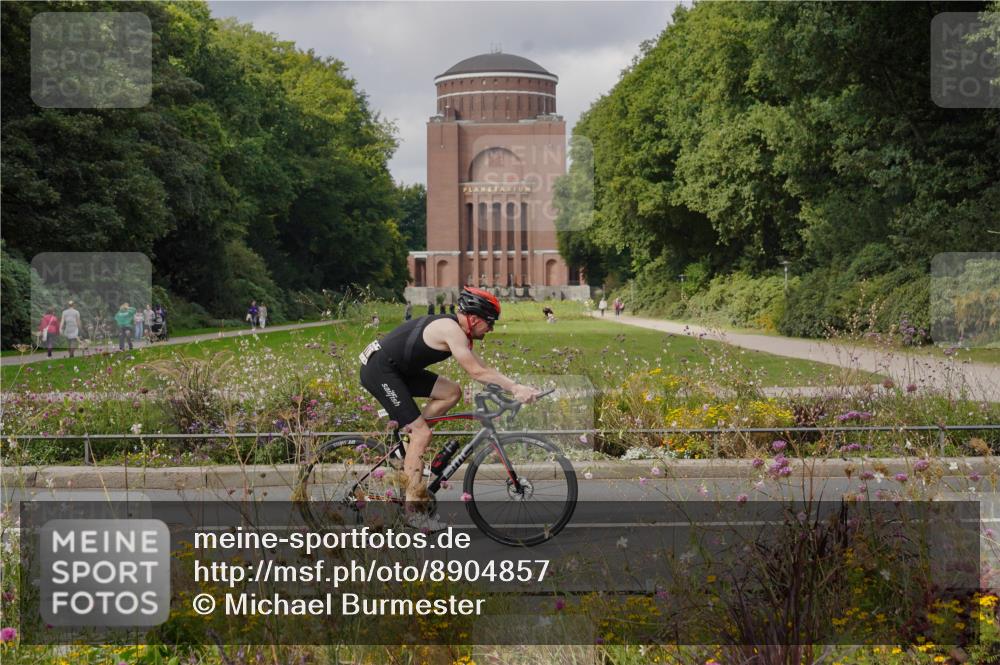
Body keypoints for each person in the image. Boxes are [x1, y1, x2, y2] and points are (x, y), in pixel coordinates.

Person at [359, 287, 541, 530]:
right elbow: (476, 372)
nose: (492, 329)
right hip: (380, 370)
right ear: (475, 319)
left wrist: (510, 387)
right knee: (423, 434)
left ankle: (409, 438)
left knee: (451, 392)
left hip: (399, 371)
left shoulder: (459, 331)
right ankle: (413, 514)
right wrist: (516, 388)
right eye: (490, 323)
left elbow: (483, 369)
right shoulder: (450, 330)